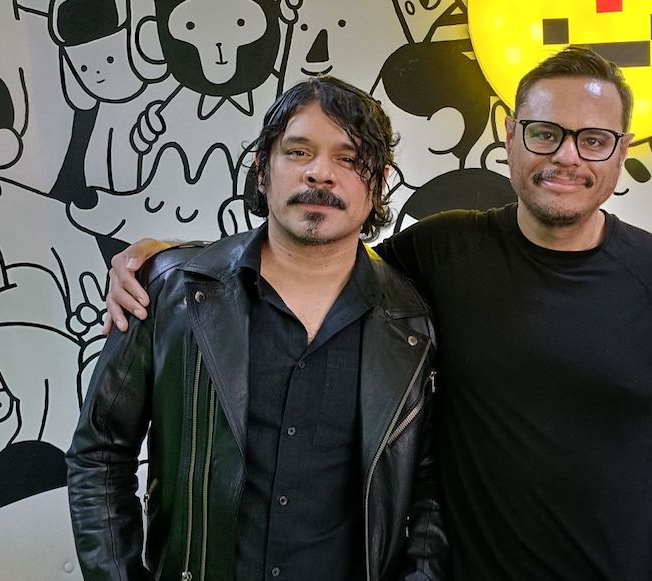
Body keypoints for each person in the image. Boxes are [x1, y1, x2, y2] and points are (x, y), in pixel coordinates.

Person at [106, 47, 652, 580]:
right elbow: (313, 251)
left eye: (593, 140)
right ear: (511, 137)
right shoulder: (443, 251)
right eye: (545, 133)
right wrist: (173, 257)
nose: (566, 156)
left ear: (621, 149)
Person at [66, 76, 446, 581]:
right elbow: (100, 453)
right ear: (263, 171)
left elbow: (431, 490)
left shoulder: (412, 322)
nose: (320, 173)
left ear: (377, 185)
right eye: (298, 151)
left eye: (349, 158)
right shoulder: (170, 290)